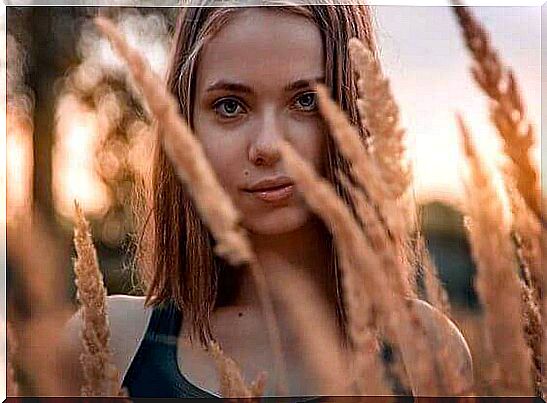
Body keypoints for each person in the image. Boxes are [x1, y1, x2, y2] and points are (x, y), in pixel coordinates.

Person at [63, 2, 474, 398]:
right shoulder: (109, 342)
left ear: (354, 114)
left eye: (307, 101)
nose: (268, 146)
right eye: (230, 106)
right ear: (184, 128)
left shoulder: (428, 353)